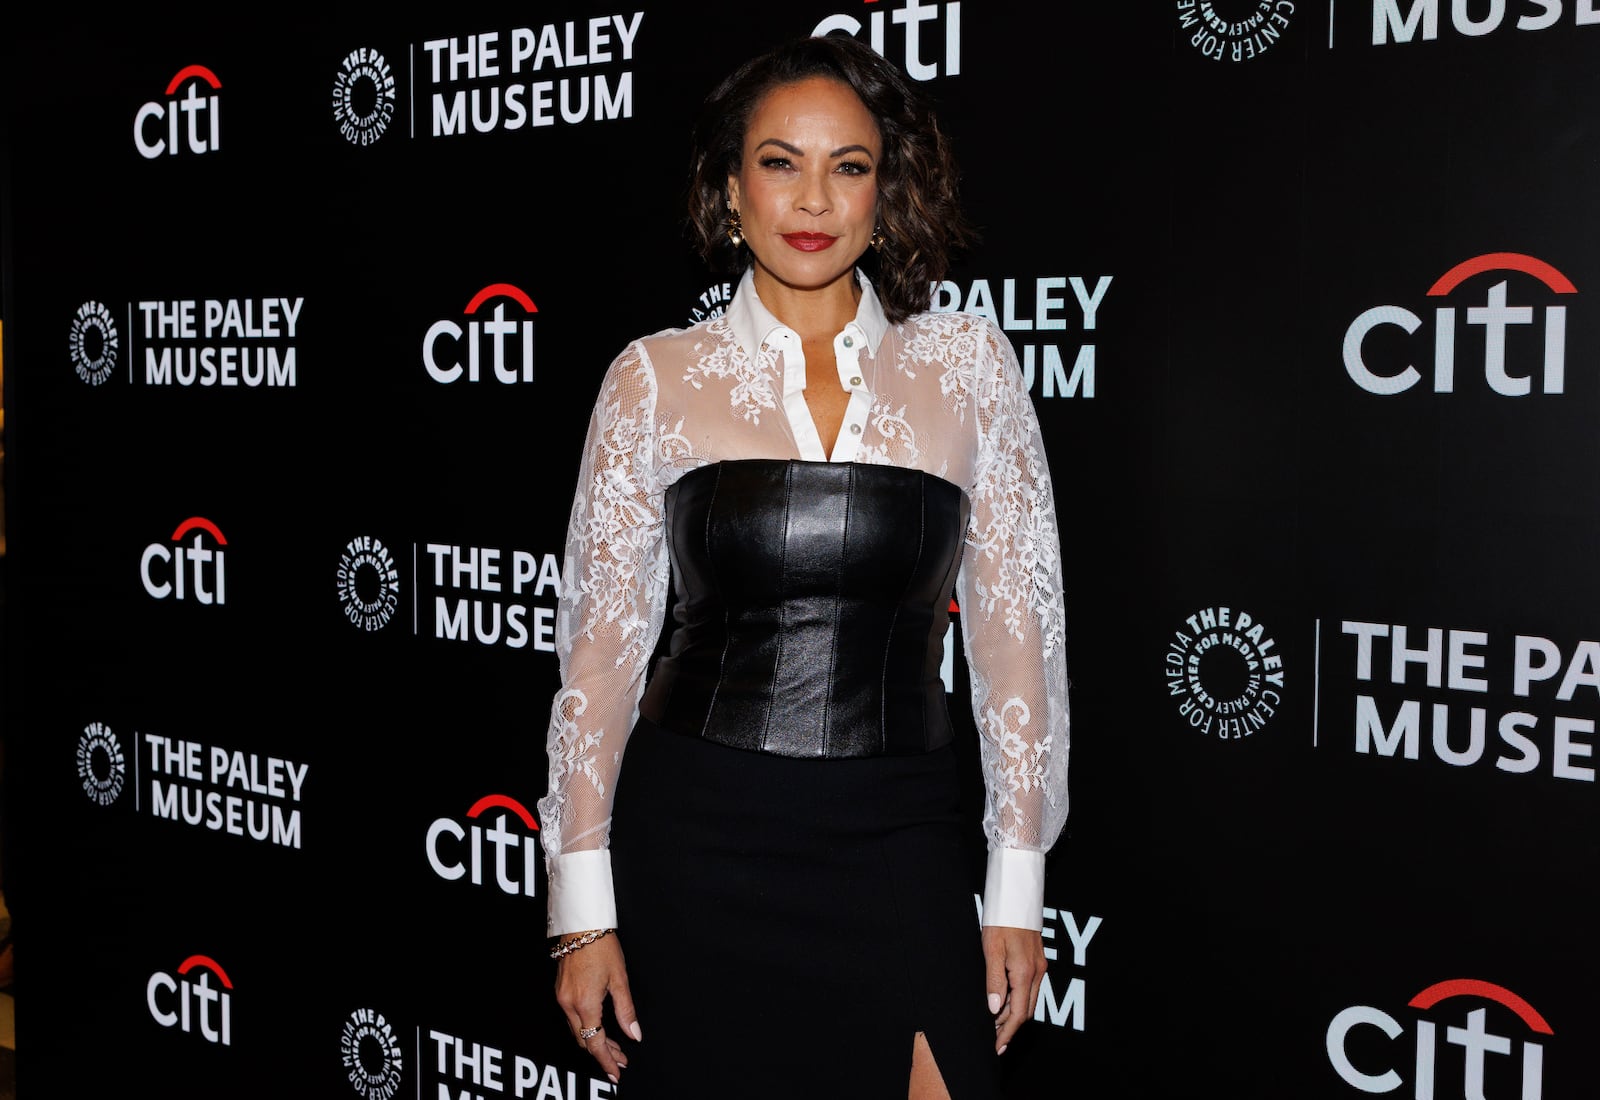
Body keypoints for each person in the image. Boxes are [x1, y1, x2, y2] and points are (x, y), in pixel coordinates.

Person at [537, 34, 1070, 1098]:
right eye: (779, 161)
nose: (813, 197)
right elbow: (598, 661)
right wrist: (579, 909)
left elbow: (1019, 641)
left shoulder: (965, 368)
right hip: (697, 834)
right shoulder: (653, 379)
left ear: (887, 193)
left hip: (898, 832)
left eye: (850, 165)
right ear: (730, 188)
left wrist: (1015, 878)